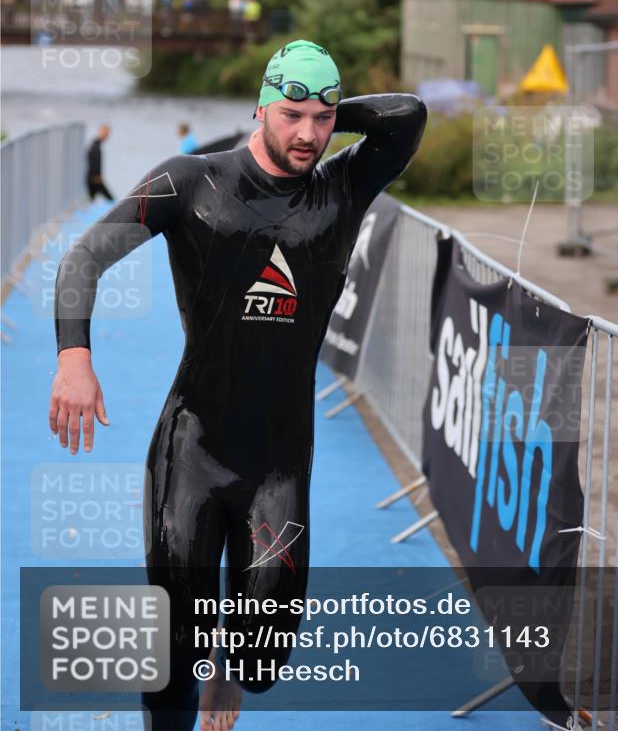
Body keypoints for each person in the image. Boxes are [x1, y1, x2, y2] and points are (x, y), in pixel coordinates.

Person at [49, 39, 427, 731]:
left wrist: (320, 106)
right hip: (191, 446)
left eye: (323, 118)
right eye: (291, 115)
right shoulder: (189, 183)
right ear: (258, 107)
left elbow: (407, 115)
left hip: (278, 462)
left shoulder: (343, 187)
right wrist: (74, 356)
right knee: (171, 655)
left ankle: (227, 668)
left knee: (260, 661)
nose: (309, 133)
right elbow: (85, 256)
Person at [85, 124, 114, 201]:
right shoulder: (95, 146)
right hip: (94, 178)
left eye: (108, 133)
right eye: (106, 133)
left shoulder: (96, 144)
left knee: (91, 200)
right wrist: (96, 175)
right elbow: (93, 161)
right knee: (111, 200)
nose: (107, 135)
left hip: (93, 177)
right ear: (101, 132)